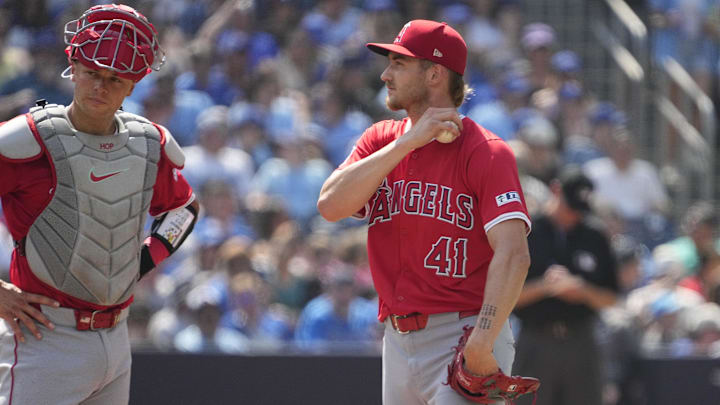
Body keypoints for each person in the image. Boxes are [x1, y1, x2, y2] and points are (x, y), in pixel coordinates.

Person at [317, 20, 532, 404]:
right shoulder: (381, 141)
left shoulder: (486, 150)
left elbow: (514, 253)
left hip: (462, 333)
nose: (385, 74)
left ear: (434, 73)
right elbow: (331, 205)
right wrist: (407, 142)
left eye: (399, 63)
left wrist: (483, 340)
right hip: (397, 340)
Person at [0, 4, 199, 404]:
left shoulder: (146, 145)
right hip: (44, 339)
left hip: (116, 339)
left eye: (115, 78)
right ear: (73, 67)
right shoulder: (27, 141)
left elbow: (184, 210)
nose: (100, 87)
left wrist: (141, 261)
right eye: (92, 72)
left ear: (132, 85)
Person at [512, 167, 619, 405]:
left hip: (581, 339)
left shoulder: (594, 235)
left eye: (579, 210)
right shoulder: (529, 231)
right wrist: (546, 287)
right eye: (570, 206)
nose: (574, 215)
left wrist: (583, 291)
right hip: (536, 339)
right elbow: (507, 297)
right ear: (555, 190)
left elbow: (612, 298)